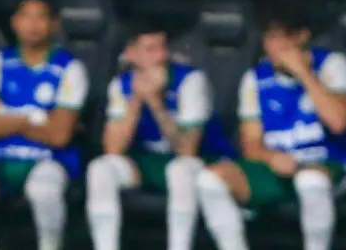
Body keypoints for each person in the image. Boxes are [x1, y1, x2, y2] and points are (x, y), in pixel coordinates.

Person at [196, 1, 346, 250]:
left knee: (310, 180)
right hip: (278, 165)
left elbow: (338, 123)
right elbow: (251, 144)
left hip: (330, 162)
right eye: (269, 38)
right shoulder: (255, 79)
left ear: (301, 36)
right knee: (209, 180)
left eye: (281, 38)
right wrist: (270, 157)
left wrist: (304, 73)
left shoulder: (331, 65)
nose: (274, 47)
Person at [86, 21, 235, 250]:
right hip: (147, 162)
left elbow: (187, 150)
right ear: (131, 54)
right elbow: (113, 149)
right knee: (100, 168)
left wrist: (156, 103)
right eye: (151, 49)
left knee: (180, 169)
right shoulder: (120, 84)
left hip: (201, 162)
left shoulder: (190, 80)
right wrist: (137, 99)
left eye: (163, 47)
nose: (162, 56)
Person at [0, 0, 88, 250]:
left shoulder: (70, 68)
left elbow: (59, 135)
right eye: (26, 17)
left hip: (48, 159)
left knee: (43, 189)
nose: (33, 25)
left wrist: (4, 118)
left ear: (54, 24)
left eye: (41, 17)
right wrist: (33, 118)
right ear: (15, 23)